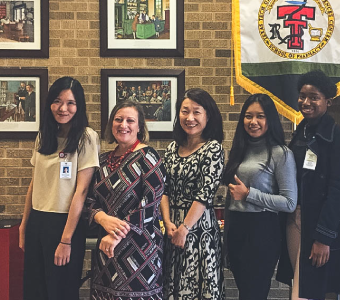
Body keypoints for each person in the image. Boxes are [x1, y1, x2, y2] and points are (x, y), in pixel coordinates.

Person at [276, 70, 340, 300]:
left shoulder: (338, 137)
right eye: (302, 96)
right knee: (300, 283)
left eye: (314, 97)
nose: (306, 102)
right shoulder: (300, 132)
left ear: (328, 102)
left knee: (315, 289)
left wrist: (323, 238)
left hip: (319, 225)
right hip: (295, 220)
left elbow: (337, 190)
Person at [19, 77, 100, 300]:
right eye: (57, 101)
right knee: (35, 290)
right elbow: (34, 184)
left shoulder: (87, 137)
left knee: (60, 291)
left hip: (65, 224)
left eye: (70, 103)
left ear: (79, 105)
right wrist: (24, 226)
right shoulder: (44, 136)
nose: (63, 108)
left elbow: (81, 192)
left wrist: (65, 240)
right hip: (38, 221)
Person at [85, 100, 166, 300]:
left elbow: (150, 204)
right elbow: (88, 200)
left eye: (130, 120)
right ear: (111, 124)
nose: (123, 125)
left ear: (139, 127)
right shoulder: (102, 160)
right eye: (118, 119)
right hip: (107, 250)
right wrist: (101, 218)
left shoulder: (149, 157)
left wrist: (117, 234)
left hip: (140, 251)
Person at [223, 93, 297, 300]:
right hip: (237, 228)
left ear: (270, 120)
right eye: (248, 116)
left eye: (260, 116)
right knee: (245, 291)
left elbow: (289, 203)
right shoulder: (240, 150)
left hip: (262, 231)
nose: (253, 122)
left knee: (253, 293)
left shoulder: (281, 153)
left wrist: (248, 194)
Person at [161, 88, 225, 299]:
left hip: (199, 230)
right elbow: (164, 189)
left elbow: (205, 194)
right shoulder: (171, 148)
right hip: (172, 229)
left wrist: (185, 229)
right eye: (184, 111)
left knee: (199, 289)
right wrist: (168, 222)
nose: (190, 118)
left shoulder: (213, 149)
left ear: (208, 116)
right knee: (172, 286)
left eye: (196, 112)